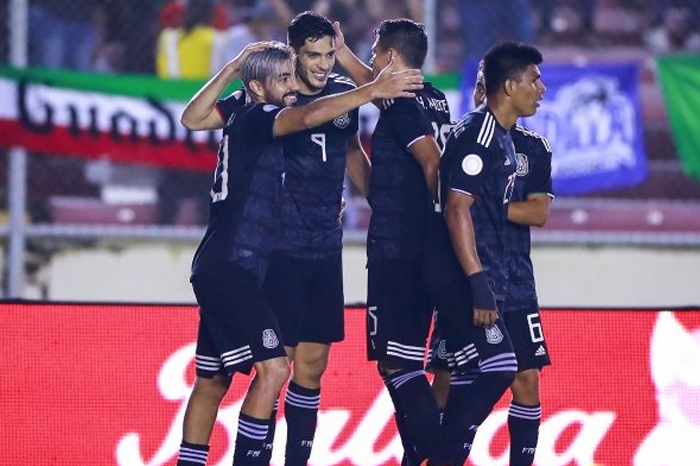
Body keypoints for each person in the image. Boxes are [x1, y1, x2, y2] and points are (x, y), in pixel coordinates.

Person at [177, 41, 423, 466]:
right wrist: (371, 90)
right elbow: (307, 116)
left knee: (212, 380)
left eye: (292, 76)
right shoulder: (259, 116)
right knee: (275, 370)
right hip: (235, 264)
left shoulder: (241, 111)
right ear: (258, 87)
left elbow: (191, 118)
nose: (293, 86)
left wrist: (234, 68)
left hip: (227, 262)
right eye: (284, 79)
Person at [421, 41, 546, 466]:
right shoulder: (477, 134)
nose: (541, 89)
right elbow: (457, 208)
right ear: (510, 86)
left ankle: (438, 455)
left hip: (500, 278)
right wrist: (477, 283)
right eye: (534, 80)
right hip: (471, 278)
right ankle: (437, 455)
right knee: (494, 369)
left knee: (495, 372)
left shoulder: (508, 139)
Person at [334, 19, 452, 466]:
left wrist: (439, 222)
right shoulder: (434, 98)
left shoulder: (401, 103)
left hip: (400, 247)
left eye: (374, 54)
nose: (370, 63)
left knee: (397, 364)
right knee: (402, 362)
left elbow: (431, 162)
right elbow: (375, 88)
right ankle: (416, 457)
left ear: (390, 57)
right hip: (419, 244)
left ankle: (441, 452)